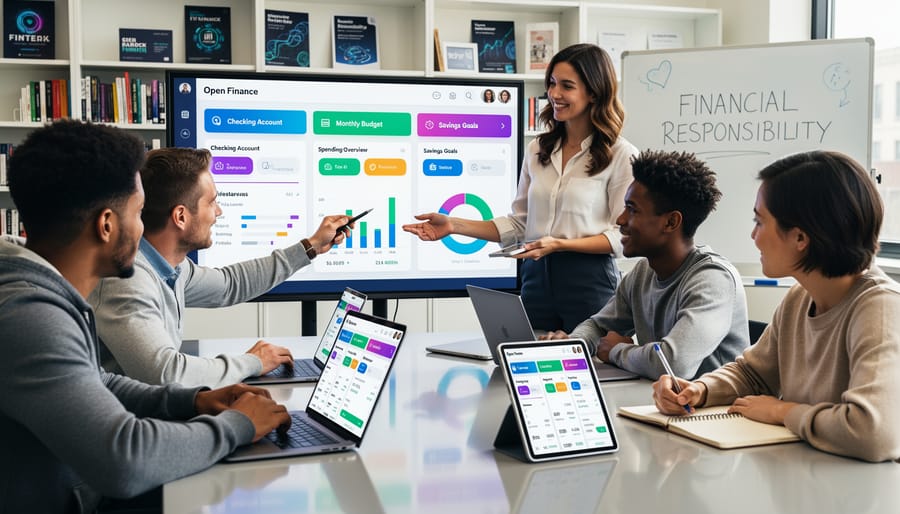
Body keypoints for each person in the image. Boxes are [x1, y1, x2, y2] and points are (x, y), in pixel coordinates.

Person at [0, 120, 291, 512]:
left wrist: (194, 402)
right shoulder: (31, 317)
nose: (144, 228)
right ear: (107, 225)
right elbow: (124, 460)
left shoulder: (43, 294)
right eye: (138, 213)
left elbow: (96, 380)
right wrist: (238, 425)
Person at [652, 150, 900, 462]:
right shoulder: (800, 297)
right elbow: (753, 374)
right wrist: (699, 390)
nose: (753, 236)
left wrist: (784, 411)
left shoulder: (880, 307)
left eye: (760, 221)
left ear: (800, 237)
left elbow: (874, 433)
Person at [404, 43, 639, 332]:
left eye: (567, 86)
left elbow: (621, 236)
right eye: (552, 84)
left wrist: (560, 245)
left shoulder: (620, 155)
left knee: (591, 368)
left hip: (589, 280)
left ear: (593, 92)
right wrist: (452, 225)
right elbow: (520, 223)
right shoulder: (538, 148)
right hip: (535, 278)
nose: (554, 94)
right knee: (528, 361)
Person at [89, 147, 351, 388]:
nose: (219, 211)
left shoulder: (171, 268)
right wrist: (253, 362)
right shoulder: (125, 281)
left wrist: (312, 246)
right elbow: (167, 373)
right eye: (212, 201)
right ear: (180, 217)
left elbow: (229, 284)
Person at [544, 149, 750, 380]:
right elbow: (597, 326)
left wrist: (615, 352)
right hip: (659, 404)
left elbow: (674, 364)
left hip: (711, 412)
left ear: (671, 222)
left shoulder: (712, 279)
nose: (620, 220)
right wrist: (571, 346)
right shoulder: (643, 272)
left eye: (632, 209)